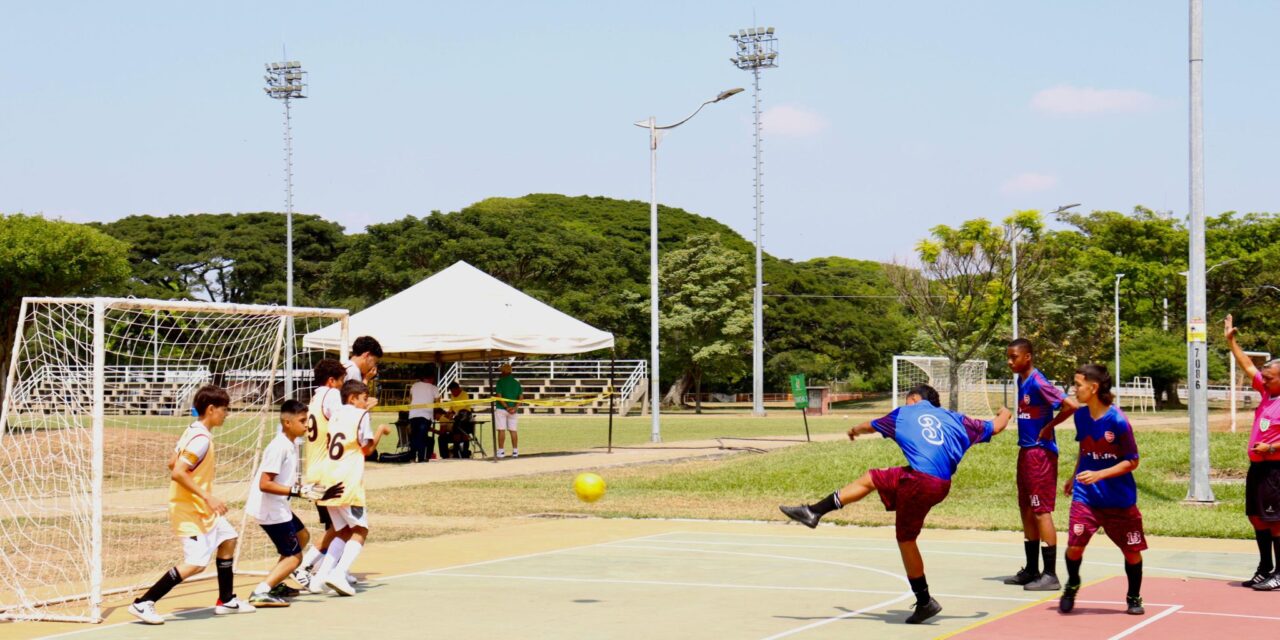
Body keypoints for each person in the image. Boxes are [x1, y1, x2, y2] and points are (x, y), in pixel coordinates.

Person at [778, 385, 1012, 625]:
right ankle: (813, 512)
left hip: (920, 481)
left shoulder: (903, 413)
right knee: (873, 478)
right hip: (940, 483)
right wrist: (1005, 411)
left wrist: (854, 430)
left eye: (907, 399)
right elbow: (997, 426)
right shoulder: (955, 419)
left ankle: (924, 601)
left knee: (906, 539)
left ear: (913, 398)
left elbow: (870, 425)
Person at [128, 385, 256, 624]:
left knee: (228, 538)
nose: (227, 414)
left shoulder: (192, 431)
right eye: (225, 409)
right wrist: (207, 496)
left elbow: (171, 462)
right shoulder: (200, 440)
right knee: (196, 563)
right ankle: (143, 603)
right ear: (211, 409)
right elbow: (177, 472)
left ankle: (226, 600)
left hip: (200, 508)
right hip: (191, 510)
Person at [1058, 364, 1145, 616]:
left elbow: (1133, 461)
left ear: (1093, 388)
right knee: (1075, 546)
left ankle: (1134, 595)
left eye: (1078, 384)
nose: (1074, 389)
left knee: (1131, 552)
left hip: (1119, 498)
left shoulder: (1118, 420)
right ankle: (1072, 584)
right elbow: (1085, 449)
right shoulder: (1081, 416)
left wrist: (1099, 474)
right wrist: (1074, 476)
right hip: (1086, 496)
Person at [242, 399, 344, 607]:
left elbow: (284, 480)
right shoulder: (279, 447)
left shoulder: (291, 444)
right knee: (294, 557)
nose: (307, 424)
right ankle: (260, 592)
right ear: (287, 423)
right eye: (302, 420)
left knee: (302, 535)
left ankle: (276, 583)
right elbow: (265, 483)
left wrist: (310, 491)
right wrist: (297, 491)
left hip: (280, 506)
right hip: (270, 509)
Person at [1004, 338, 1076, 591]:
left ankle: (1051, 574)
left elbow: (1071, 406)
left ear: (1028, 357)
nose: (1010, 361)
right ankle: (1032, 569)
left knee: (1040, 510)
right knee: (1025, 508)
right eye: (1008, 357)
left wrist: (1049, 427)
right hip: (1025, 451)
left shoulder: (1038, 382)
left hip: (1040, 454)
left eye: (1014, 357)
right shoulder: (1020, 380)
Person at [312, 380, 392, 596]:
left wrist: (365, 407)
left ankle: (319, 578)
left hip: (328, 478)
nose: (366, 403)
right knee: (360, 530)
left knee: (343, 530)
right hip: (347, 480)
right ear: (352, 398)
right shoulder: (361, 416)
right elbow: (366, 449)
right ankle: (339, 573)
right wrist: (380, 431)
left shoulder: (336, 414)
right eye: (363, 398)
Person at [1224, 314, 1280, 590]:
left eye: (1269, 378)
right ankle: (1264, 567)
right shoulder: (1268, 393)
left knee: (1276, 521)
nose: (1263, 381)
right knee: (1256, 517)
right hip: (1258, 467)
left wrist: (1271, 447)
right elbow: (1247, 366)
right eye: (1264, 378)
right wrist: (1231, 342)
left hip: (1275, 469)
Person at [298, 359, 350, 586]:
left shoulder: (315, 397)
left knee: (337, 526)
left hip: (316, 468)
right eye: (341, 381)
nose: (342, 386)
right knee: (344, 526)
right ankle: (306, 567)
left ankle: (328, 568)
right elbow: (343, 424)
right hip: (328, 470)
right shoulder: (330, 395)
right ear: (331, 380)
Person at [408, 372, 439, 463]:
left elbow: (410, 398)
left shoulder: (414, 386)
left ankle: (412, 457)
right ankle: (421, 458)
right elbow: (438, 401)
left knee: (414, 437)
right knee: (422, 437)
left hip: (413, 414)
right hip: (426, 415)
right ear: (432, 378)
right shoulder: (434, 388)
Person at [495, 363, 523, 458]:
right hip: (513, 410)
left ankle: (501, 451)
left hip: (501, 409)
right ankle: (515, 451)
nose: (500, 372)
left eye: (501, 371)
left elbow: (499, 396)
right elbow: (521, 398)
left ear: (504, 371)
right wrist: (515, 408)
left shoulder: (500, 382)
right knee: (513, 430)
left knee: (501, 430)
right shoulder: (517, 383)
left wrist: (506, 407)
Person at [445, 382, 475, 459]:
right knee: (455, 434)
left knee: (465, 434)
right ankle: (456, 452)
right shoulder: (452, 396)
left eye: (453, 391)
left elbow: (462, 407)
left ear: (458, 388)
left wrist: (453, 413)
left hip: (465, 416)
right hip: (457, 418)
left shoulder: (464, 394)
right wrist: (448, 413)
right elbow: (451, 407)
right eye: (451, 391)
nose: (452, 393)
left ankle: (465, 452)